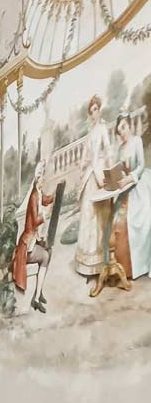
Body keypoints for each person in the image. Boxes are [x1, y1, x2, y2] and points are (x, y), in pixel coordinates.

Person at [74, 94, 116, 279]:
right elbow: (83, 159)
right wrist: (83, 166)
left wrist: (111, 177)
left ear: (100, 110)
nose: (93, 114)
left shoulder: (102, 129)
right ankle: (87, 264)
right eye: (91, 112)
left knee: (100, 217)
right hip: (90, 176)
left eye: (95, 110)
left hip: (100, 176)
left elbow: (109, 152)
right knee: (88, 215)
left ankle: (100, 263)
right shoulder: (89, 134)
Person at [11, 161, 56, 313]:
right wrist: (45, 215)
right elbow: (36, 219)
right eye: (42, 178)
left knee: (49, 252)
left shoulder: (39, 193)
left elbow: (46, 199)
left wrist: (56, 194)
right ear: (37, 180)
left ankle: (39, 290)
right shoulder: (34, 197)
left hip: (32, 240)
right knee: (44, 256)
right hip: (26, 246)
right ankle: (35, 300)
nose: (45, 180)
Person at [117, 112, 151, 279]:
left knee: (143, 216)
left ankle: (142, 264)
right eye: (119, 129)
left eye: (123, 127)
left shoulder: (136, 141)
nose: (121, 132)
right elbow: (120, 170)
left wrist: (130, 178)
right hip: (126, 187)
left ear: (129, 126)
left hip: (140, 183)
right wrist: (118, 178)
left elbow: (140, 165)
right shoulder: (119, 149)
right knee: (120, 220)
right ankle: (127, 267)